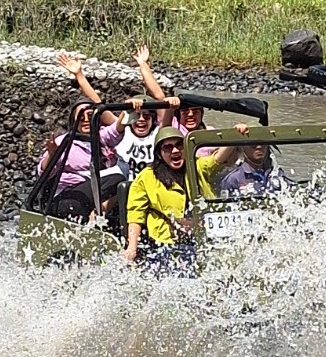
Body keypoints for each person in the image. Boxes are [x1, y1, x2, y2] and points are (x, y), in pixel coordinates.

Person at [123, 123, 248, 268]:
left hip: (203, 238)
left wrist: (234, 134)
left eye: (179, 145)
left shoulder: (197, 165)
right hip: (166, 244)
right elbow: (135, 214)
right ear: (159, 153)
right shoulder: (146, 177)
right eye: (167, 148)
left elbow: (217, 159)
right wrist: (132, 248)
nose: (175, 151)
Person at [58, 49, 180, 181]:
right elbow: (98, 104)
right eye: (137, 116)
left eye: (146, 116)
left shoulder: (158, 134)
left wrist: (143, 65)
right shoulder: (121, 129)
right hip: (123, 187)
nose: (141, 120)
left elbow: (160, 98)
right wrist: (79, 75)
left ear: (153, 119)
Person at [38, 96, 143, 221]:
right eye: (81, 118)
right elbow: (44, 171)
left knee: (125, 185)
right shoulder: (63, 141)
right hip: (67, 197)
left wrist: (128, 109)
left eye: (90, 116)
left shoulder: (101, 137)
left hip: (93, 194)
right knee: (118, 179)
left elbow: (117, 128)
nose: (86, 120)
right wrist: (52, 153)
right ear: (74, 121)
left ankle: (101, 218)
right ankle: (95, 218)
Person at [220, 142, 286, 194]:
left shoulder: (277, 173)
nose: (259, 147)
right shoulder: (233, 179)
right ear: (242, 147)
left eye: (263, 143)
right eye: (253, 144)